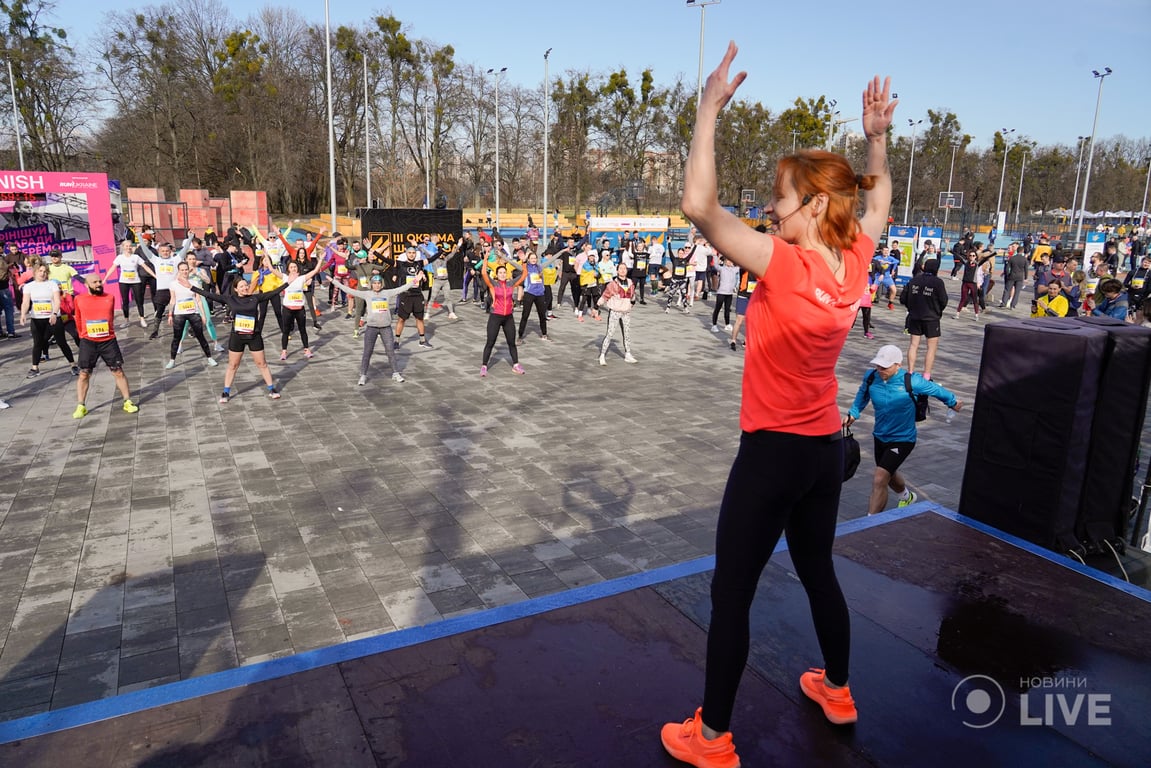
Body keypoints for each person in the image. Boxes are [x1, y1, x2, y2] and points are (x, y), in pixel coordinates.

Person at [660, 45, 895, 768]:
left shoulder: (784, 262)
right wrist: (876, 139)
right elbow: (879, 199)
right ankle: (837, 688)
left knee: (731, 592)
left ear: (814, 204)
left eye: (779, 196)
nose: (767, 206)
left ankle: (712, 737)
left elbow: (698, 206)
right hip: (825, 452)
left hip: (771, 454)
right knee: (817, 568)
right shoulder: (853, 258)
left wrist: (705, 112)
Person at [843, 345, 961, 516]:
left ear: (898, 365)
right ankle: (906, 496)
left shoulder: (911, 381)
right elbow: (863, 395)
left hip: (903, 438)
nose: (880, 370)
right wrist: (853, 414)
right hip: (880, 436)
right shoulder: (871, 377)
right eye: (878, 365)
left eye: (885, 366)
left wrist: (953, 402)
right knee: (888, 474)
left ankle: (869, 523)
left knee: (879, 477)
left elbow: (936, 390)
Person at [190, 277, 285, 402]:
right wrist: (191, 287)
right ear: (236, 289)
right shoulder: (230, 299)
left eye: (246, 285)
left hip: (254, 336)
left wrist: (289, 283)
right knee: (233, 365)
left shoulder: (255, 298)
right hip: (237, 337)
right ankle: (226, 392)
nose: (245, 288)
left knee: (262, 364)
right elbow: (210, 295)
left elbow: (273, 292)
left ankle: (271, 389)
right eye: (241, 286)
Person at [71, 273, 139, 417]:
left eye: (100, 281)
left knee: (118, 371)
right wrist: (82, 334)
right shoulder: (79, 299)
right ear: (87, 284)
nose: (98, 284)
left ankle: (127, 401)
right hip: (88, 341)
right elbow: (78, 318)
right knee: (84, 374)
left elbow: (109, 318)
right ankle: (81, 405)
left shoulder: (109, 298)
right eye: (94, 282)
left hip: (108, 340)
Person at [330, 273, 412, 385]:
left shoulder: (387, 293)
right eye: (375, 283)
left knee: (390, 351)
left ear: (381, 284)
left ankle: (395, 373)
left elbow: (401, 288)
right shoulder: (367, 294)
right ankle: (363, 375)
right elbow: (349, 290)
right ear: (371, 285)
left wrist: (415, 281)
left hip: (385, 327)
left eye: (379, 283)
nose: (377, 286)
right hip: (371, 328)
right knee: (367, 352)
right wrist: (334, 281)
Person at [20, 263, 78, 377]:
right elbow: (26, 302)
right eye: (40, 271)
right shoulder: (29, 286)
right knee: (38, 343)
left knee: (61, 342)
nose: (43, 273)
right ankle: (34, 368)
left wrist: (55, 313)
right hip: (37, 319)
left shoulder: (52, 284)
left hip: (53, 318)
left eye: (45, 271)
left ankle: (73, 365)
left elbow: (57, 301)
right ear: (35, 272)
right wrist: (23, 314)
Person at [164, 262, 219, 370]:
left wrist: (203, 315)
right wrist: (170, 314)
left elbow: (198, 300)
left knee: (200, 336)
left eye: (186, 269)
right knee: (176, 337)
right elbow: (172, 299)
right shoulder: (173, 284)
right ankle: (172, 360)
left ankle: (209, 358)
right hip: (179, 313)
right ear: (178, 271)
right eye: (182, 270)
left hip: (193, 312)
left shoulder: (194, 283)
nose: (184, 272)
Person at [900, 258, 948, 380]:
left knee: (913, 345)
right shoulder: (938, 282)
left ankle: (910, 372)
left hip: (914, 316)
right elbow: (944, 300)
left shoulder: (914, 280)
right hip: (931, 318)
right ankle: (926, 375)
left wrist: (911, 308)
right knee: (931, 347)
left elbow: (903, 298)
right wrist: (937, 310)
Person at [276, 255, 330, 360]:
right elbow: (273, 270)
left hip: (299, 309)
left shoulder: (301, 278)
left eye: (295, 267)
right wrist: (266, 257)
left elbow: (314, 271)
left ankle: (306, 349)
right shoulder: (285, 277)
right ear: (288, 268)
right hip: (287, 309)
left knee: (302, 330)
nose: (293, 269)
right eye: (291, 267)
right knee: (286, 331)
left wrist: (321, 260)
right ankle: (284, 351)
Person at [480, 261, 527, 376]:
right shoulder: (494, 284)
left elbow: (524, 274)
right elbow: (484, 273)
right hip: (496, 316)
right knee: (490, 342)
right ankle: (484, 365)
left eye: (504, 272)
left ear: (507, 274)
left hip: (508, 318)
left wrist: (524, 262)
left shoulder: (511, 284)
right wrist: (485, 258)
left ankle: (516, 365)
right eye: (500, 272)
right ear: (496, 274)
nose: (502, 274)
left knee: (511, 343)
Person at [106, 239, 155, 327]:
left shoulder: (136, 257)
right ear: (123, 247)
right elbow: (112, 268)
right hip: (124, 282)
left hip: (136, 281)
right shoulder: (119, 258)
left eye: (130, 246)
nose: (128, 248)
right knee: (125, 301)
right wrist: (105, 278)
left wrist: (155, 275)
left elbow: (145, 267)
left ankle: (142, 318)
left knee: (139, 300)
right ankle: (126, 320)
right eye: (126, 246)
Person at [597, 262, 638, 365]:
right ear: (617, 270)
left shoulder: (630, 283)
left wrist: (632, 303)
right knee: (610, 333)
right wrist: (596, 306)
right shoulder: (612, 284)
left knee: (627, 334)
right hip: (615, 312)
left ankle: (628, 354)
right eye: (620, 268)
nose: (623, 270)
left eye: (624, 268)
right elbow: (605, 296)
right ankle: (602, 355)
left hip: (626, 312)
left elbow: (633, 295)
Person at [999, 244, 1029, 309]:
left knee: (1007, 290)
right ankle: (1013, 304)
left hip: (1012, 275)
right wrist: (1026, 277)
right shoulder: (1024, 259)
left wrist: (1007, 274)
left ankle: (1004, 302)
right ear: (1022, 251)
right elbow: (1026, 269)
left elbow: (1007, 268)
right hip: (1020, 276)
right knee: (1017, 291)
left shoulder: (1012, 258)